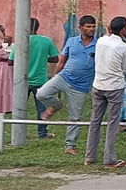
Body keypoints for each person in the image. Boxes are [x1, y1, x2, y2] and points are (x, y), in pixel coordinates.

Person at [35, 16, 97, 154]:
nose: (91, 29)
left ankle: (70, 146)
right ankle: (55, 106)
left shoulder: (98, 44)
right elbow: (62, 61)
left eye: (93, 26)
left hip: (80, 87)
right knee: (41, 93)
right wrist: (55, 76)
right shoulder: (72, 41)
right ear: (80, 27)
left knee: (75, 117)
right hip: (63, 77)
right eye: (88, 26)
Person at [86, 16, 126, 168]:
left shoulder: (100, 41)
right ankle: (110, 158)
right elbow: (125, 68)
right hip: (114, 86)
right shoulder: (124, 47)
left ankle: (90, 156)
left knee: (95, 121)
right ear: (123, 29)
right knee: (113, 123)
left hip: (98, 83)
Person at [9, 18, 59, 139]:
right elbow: (55, 59)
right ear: (37, 27)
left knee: (19, 107)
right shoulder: (46, 41)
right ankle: (42, 133)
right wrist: (42, 58)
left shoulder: (19, 42)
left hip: (22, 80)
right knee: (41, 108)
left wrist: (24, 59)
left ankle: (18, 133)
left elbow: (10, 62)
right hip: (40, 80)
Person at [0, 26, 12, 114]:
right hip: (8, 67)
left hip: (0, 67)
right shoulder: (6, 43)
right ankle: (7, 106)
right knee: (6, 86)